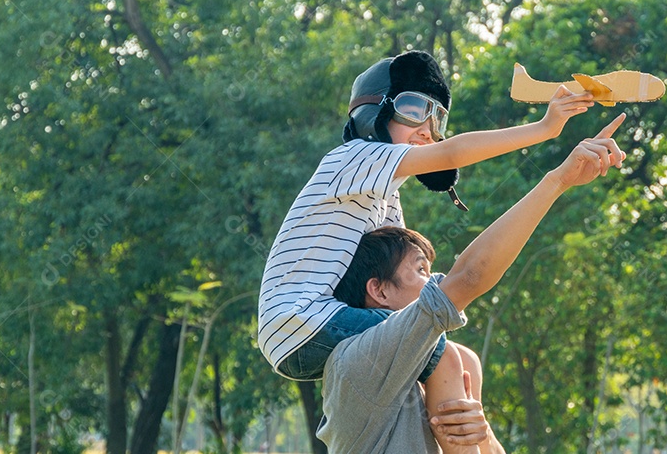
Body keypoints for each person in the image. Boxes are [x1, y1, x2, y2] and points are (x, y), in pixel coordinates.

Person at [257, 51, 596, 452]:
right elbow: (451, 154)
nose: (428, 129)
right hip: (299, 321)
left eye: (438, 120)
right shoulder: (351, 158)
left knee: (464, 359)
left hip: (318, 326)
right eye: (415, 109)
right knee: (446, 357)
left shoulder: (386, 202)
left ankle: (467, 434)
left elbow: (400, 288)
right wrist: (545, 129)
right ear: (377, 113)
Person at [317, 117, 626, 452]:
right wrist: (557, 180)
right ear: (379, 290)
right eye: (421, 271)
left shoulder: (432, 371)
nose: (434, 282)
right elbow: (469, 278)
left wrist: (483, 435)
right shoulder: (357, 361)